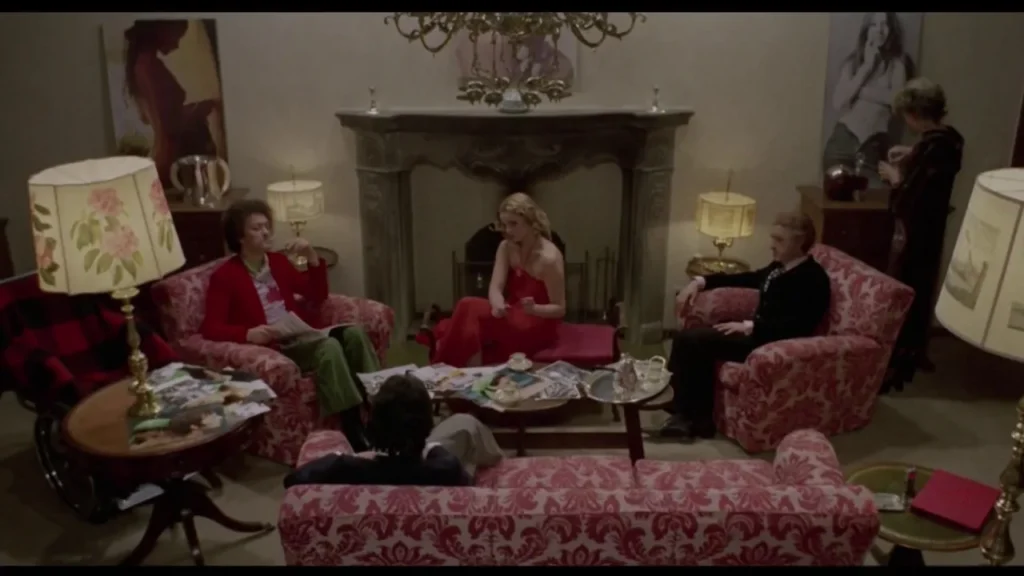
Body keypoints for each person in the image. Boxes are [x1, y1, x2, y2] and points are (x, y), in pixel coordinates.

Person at [200, 199, 380, 452]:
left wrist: (311, 257)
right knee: (328, 347)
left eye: (267, 226)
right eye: (256, 228)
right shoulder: (225, 276)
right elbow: (210, 327)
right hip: (276, 345)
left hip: (300, 333)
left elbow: (316, 295)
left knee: (354, 334)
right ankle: (353, 427)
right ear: (239, 237)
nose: (265, 233)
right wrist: (248, 333)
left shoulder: (277, 262)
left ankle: (380, 408)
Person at [663, 212, 832, 442]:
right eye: (773, 238)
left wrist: (749, 326)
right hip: (758, 332)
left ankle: (684, 414)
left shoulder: (813, 279)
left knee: (691, 340)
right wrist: (700, 281)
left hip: (773, 344)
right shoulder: (779, 267)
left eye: (779, 240)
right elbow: (747, 278)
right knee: (693, 340)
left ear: (800, 241)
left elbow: (798, 325)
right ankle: (694, 418)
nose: (771, 245)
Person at [878, 78, 964, 393]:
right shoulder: (951, 139)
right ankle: (915, 351)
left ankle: (898, 360)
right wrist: (912, 152)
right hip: (934, 228)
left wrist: (894, 175)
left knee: (905, 287)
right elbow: (933, 165)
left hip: (915, 231)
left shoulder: (933, 146)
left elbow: (909, 197)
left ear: (913, 113)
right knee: (923, 287)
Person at [283, 374, 504, 487]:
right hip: (424, 467)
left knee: (464, 426)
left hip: (378, 467)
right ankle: (501, 463)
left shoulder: (341, 468)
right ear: (428, 424)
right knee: (465, 424)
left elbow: (292, 481)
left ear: (373, 424)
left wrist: (343, 456)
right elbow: (465, 483)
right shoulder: (447, 468)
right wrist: (431, 448)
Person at [431, 193, 565, 367]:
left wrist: (535, 309)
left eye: (513, 224)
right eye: (504, 224)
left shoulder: (549, 258)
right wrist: (497, 304)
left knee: (466, 317)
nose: (508, 230)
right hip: (512, 312)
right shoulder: (506, 247)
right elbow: (496, 286)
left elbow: (560, 308)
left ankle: (450, 370)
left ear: (531, 222)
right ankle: (469, 372)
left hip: (537, 323)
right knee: (467, 309)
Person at [123, 20, 224, 186]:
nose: (176, 45)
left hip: (171, 156)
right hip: (169, 160)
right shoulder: (148, 67)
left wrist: (202, 107)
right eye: (177, 36)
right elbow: (170, 124)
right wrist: (201, 109)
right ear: (162, 30)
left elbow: (167, 115)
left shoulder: (146, 65)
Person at [822, 12, 916, 185]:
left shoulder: (897, 64)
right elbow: (838, 102)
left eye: (884, 25)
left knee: (871, 197)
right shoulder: (854, 63)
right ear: (866, 30)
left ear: (891, 29)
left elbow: (897, 101)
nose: (879, 30)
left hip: (873, 145)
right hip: (842, 141)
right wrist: (866, 66)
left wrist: (859, 91)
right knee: (834, 198)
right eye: (874, 25)